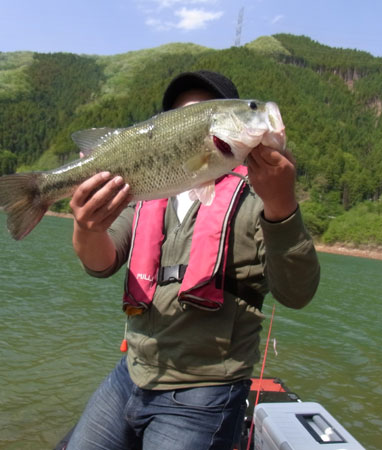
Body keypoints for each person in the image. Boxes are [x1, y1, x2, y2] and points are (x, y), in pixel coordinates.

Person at [60, 70, 320, 450]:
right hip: (130, 374)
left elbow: (297, 293)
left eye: (200, 116)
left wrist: (281, 204)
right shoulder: (148, 192)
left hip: (204, 395)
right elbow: (100, 263)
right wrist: (86, 226)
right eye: (178, 118)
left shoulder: (257, 198)